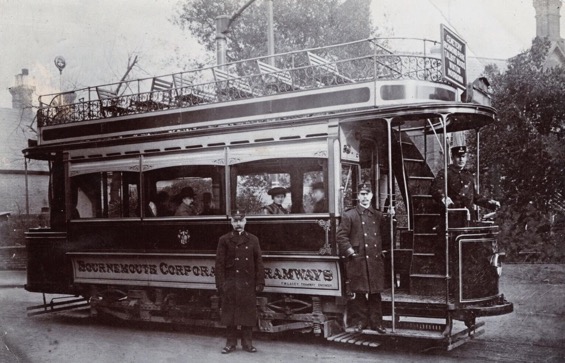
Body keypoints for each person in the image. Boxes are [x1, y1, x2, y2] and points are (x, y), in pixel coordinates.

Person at [336, 182, 386, 334]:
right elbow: (341, 236)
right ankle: (361, 322)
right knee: (359, 293)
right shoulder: (349, 215)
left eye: (367, 194)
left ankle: (377, 323)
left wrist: (383, 251)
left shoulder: (377, 215)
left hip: (375, 261)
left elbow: (385, 236)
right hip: (358, 260)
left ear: (372, 195)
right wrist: (351, 252)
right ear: (358, 196)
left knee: (375, 293)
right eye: (362, 194)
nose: (365, 197)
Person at [215, 210, 265, 354]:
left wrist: (260, 282)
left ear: (245, 221)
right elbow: (219, 264)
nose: (238, 224)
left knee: (247, 314)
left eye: (241, 221)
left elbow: (259, 262)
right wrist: (220, 284)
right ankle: (230, 344)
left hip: (247, 282)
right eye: (235, 221)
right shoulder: (224, 240)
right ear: (231, 222)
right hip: (231, 282)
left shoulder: (253, 239)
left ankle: (247, 344)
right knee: (230, 314)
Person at [430, 146, 500, 219]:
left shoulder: (468, 175)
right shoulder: (445, 173)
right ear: (452, 158)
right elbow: (436, 191)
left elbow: (475, 197)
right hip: (452, 216)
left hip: (469, 216)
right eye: (458, 157)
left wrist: (491, 203)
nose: (461, 159)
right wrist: (444, 198)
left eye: (463, 157)